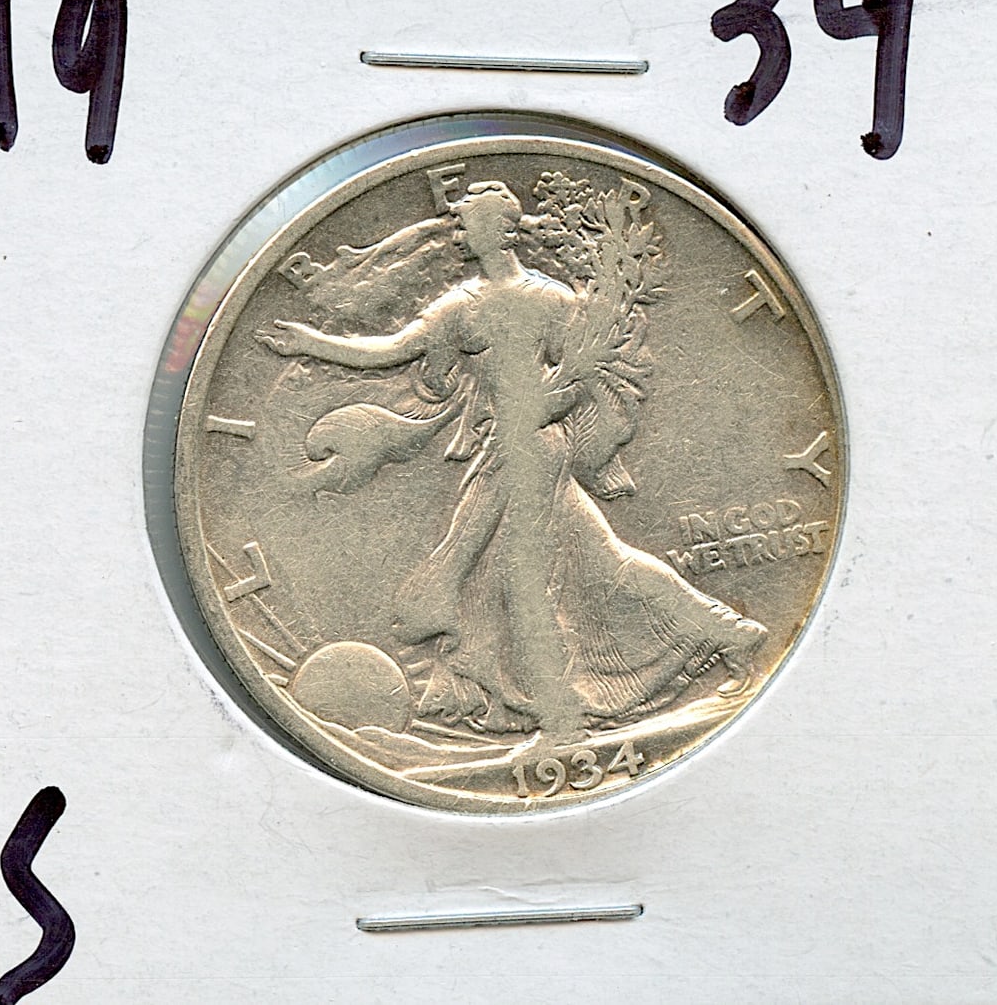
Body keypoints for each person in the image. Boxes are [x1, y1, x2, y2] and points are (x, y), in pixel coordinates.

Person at [257, 181, 764, 741]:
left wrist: (547, 406)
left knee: (523, 584)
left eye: (466, 221)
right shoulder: (461, 305)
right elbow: (393, 350)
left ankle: (561, 719)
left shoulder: (551, 300)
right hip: (506, 450)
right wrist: (312, 343)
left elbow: (590, 372)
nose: (457, 230)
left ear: (498, 230)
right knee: (602, 561)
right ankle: (730, 634)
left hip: (534, 452)